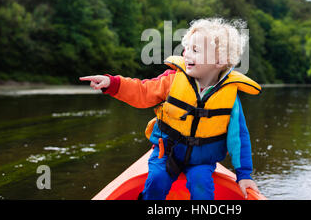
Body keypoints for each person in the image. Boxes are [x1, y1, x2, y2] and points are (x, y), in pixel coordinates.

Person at [80, 18, 261, 200]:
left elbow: (239, 138)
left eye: (195, 50)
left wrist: (244, 175)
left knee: (202, 188)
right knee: (157, 180)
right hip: (166, 151)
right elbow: (142, 92)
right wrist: (112, 83)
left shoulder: (230, 98)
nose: (187, 54)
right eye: (187, 48)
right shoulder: (172, 80)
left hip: (202, 161)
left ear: (220, 61)